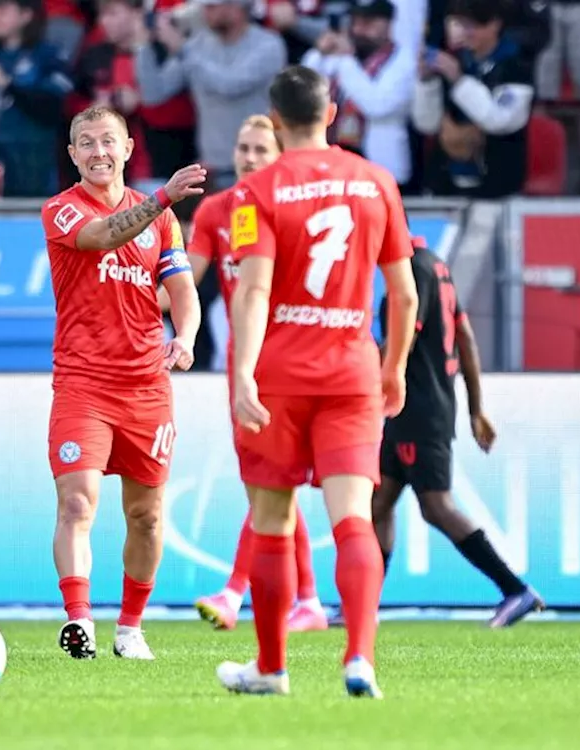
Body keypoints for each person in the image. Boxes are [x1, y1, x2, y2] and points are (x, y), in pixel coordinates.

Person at [216, 65, 419, 698]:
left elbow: (251, 289)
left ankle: (272, 669)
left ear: (274, 121)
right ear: (332, 113)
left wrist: (242, 373)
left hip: (280, 375)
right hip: (352, 371)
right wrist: (394, 369)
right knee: (352, 520)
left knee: (272, 519)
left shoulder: (256, 192)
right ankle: (360, 657)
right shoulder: (377, 181)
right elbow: (405, 296)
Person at [40, 104, 207, 661]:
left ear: (128, 148)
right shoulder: (61, 211)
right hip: (83, 384)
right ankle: (80, 621)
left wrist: (184, 337)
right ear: (72, 155)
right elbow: (101, 237)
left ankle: (130, 628)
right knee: (78, 503)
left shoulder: (161, 220)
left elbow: (183, 289)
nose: (98, 152)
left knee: (146, 514)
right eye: (85, 143)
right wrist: (162, 196)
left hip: (147, 388)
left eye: (108, 141)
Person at [188, 114, 328, 633]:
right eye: (243, 148)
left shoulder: (293, 209)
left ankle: (234, 592)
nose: (249, 158)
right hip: (241, 366)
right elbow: (186, 280)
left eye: (261, 150)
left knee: (271, 482)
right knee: (270, 487)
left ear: (281, 155)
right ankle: (309, 601)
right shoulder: (215, 211)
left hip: (287, 361)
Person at [372, 237, 543, 627]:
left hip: (419, 410)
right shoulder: (436, 265)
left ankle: (515, 589)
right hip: (410, 409)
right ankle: (362, 606)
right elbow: (464, 336)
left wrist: (357, 371)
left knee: (437, 507)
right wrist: (475, 408)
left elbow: (404, 341)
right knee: (377, 502)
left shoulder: (414, 270)